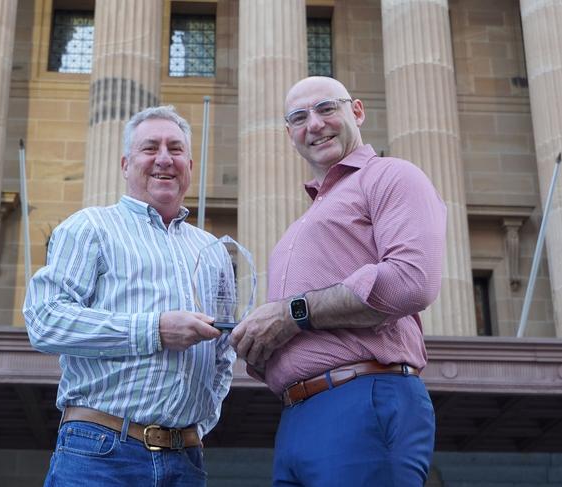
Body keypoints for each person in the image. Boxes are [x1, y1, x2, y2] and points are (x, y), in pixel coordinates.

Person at [230, 76, 446, 486]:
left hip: (362, 397)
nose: (314, 124)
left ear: (357, 111)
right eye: (299, 117)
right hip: (297, 414)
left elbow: (412, 281)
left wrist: (292, 313)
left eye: (327, 108)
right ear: (289, 133)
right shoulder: (305, 220)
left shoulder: (391, 176)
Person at [23, 105, 235, 487]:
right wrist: (154, 329)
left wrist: (199, 424)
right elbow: (44, 320)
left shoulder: (214, 251)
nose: (165, 159)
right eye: (150, 148)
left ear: (190, 162)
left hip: (186, 459)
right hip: (99, 452)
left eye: (176, 149)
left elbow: (222, 355)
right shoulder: (89, 228)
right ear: (125, 163)